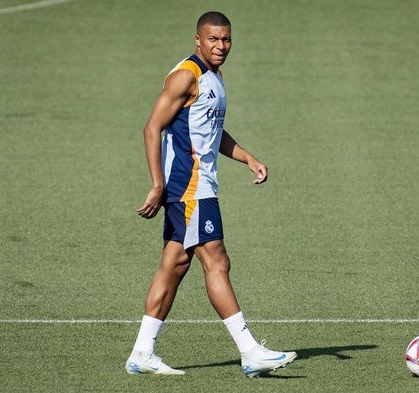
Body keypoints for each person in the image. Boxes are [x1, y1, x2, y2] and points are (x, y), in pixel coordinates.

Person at [125, 11, 297, 378]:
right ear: (198, 40)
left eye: (227, 40)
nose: (221, 46)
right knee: (217, 260)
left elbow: (210, 130)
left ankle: (142, 353)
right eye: (214, 40)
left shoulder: (213, 76)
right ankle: (250, 351)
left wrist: (247, 157)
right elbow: (151, 127)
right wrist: (158, 184)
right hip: (189, 187)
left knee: (174, 266)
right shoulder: (187, 76)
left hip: (195, 186)